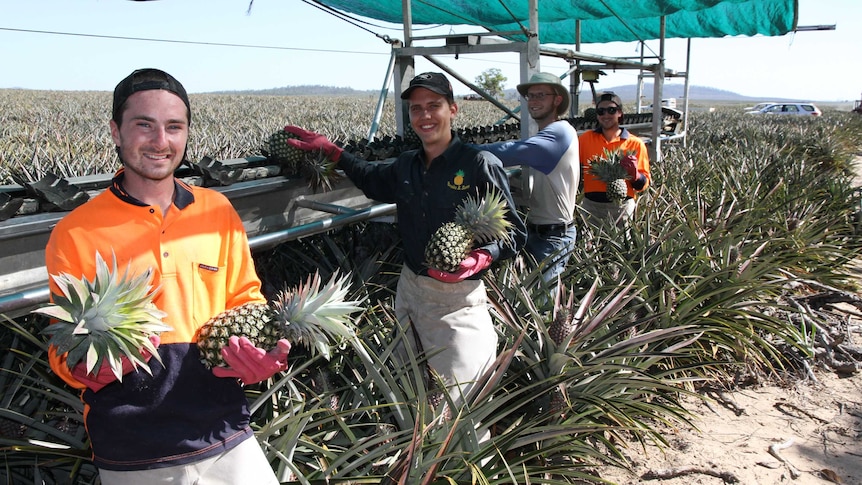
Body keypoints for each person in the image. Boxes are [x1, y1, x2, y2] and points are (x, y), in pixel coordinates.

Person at [44, 68, 289, 484]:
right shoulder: (76, 231)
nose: (161, 141)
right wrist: (80, 366)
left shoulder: (217, 211)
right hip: (131, 448)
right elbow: (62, 343)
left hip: (225, 430)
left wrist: (259, 353)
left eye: (174, 127)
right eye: (144, 125)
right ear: (116, 132)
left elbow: (246, 297)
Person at [284, 72, 526, 406]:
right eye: (416, 109)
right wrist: (333, 151)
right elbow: (371, 179)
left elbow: (514, 231)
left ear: (453, 110)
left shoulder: (478, 164)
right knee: (406, 391)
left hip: (456, 300)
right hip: (410, 290)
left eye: (434, 106)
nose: (425, 116)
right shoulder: (407, 164)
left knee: (462, 402)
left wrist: (480, 258)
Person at [478, 72, 579, 284]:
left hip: (554, 237)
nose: (533, 101)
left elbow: (510, 151)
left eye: (540, 95)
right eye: (530, 96)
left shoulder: (559, 132)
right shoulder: (545, 136)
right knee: (533, 296)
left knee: (543, 304)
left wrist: (458, 151)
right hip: (537, 232)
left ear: (557, 99)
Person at [578, 91, 651, 229]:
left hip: (621, 207)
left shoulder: (635, 143)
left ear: (620, 113)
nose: (606, 115)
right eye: (601, 111)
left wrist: (634, 174)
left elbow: (643, 184)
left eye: (611, 110)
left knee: (622, 247)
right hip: (591, 205)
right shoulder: (585, 139)